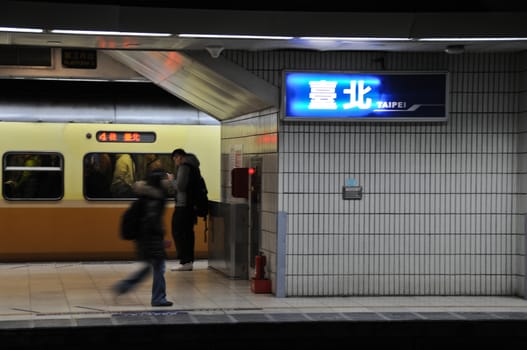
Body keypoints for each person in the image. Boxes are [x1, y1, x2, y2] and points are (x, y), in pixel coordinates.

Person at [112, 169, 173, 307]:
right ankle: (158, 298)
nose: (167, 181)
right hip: (150, 238)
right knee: (159, 268)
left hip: (144, 237)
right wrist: (160, 233)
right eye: (164, 179)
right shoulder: (155, 198)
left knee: (150, 268)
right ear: (158, 181)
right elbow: (152, 220)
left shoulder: (149, 196)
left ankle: (124, 286)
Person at [169, 148, 200, 271]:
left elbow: (180, 186)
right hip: (189, 205)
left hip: (183, 205)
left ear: (179, 157)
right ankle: (187, 261)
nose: (175, 162)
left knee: (179, 232)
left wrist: (172, 180)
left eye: (174, 159)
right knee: (187, 233)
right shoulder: (193, 166)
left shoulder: (184, 167)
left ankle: (185, 261)